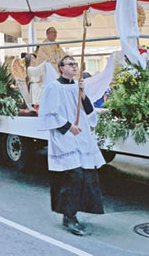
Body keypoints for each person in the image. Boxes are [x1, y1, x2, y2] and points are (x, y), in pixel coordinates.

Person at [38, 56, 105, 236]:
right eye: (70, 64)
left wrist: (82, 93)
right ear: (61, 68)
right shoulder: (54, 87)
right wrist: (68, 127)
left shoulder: (78, 86)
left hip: (81, 136)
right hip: (64, 137)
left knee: (85, 175)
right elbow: (48, 114)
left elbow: (89, 111)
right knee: (73, 175)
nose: (74, 67)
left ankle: (74, 213)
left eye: (75, 64)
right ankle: (68, 217)